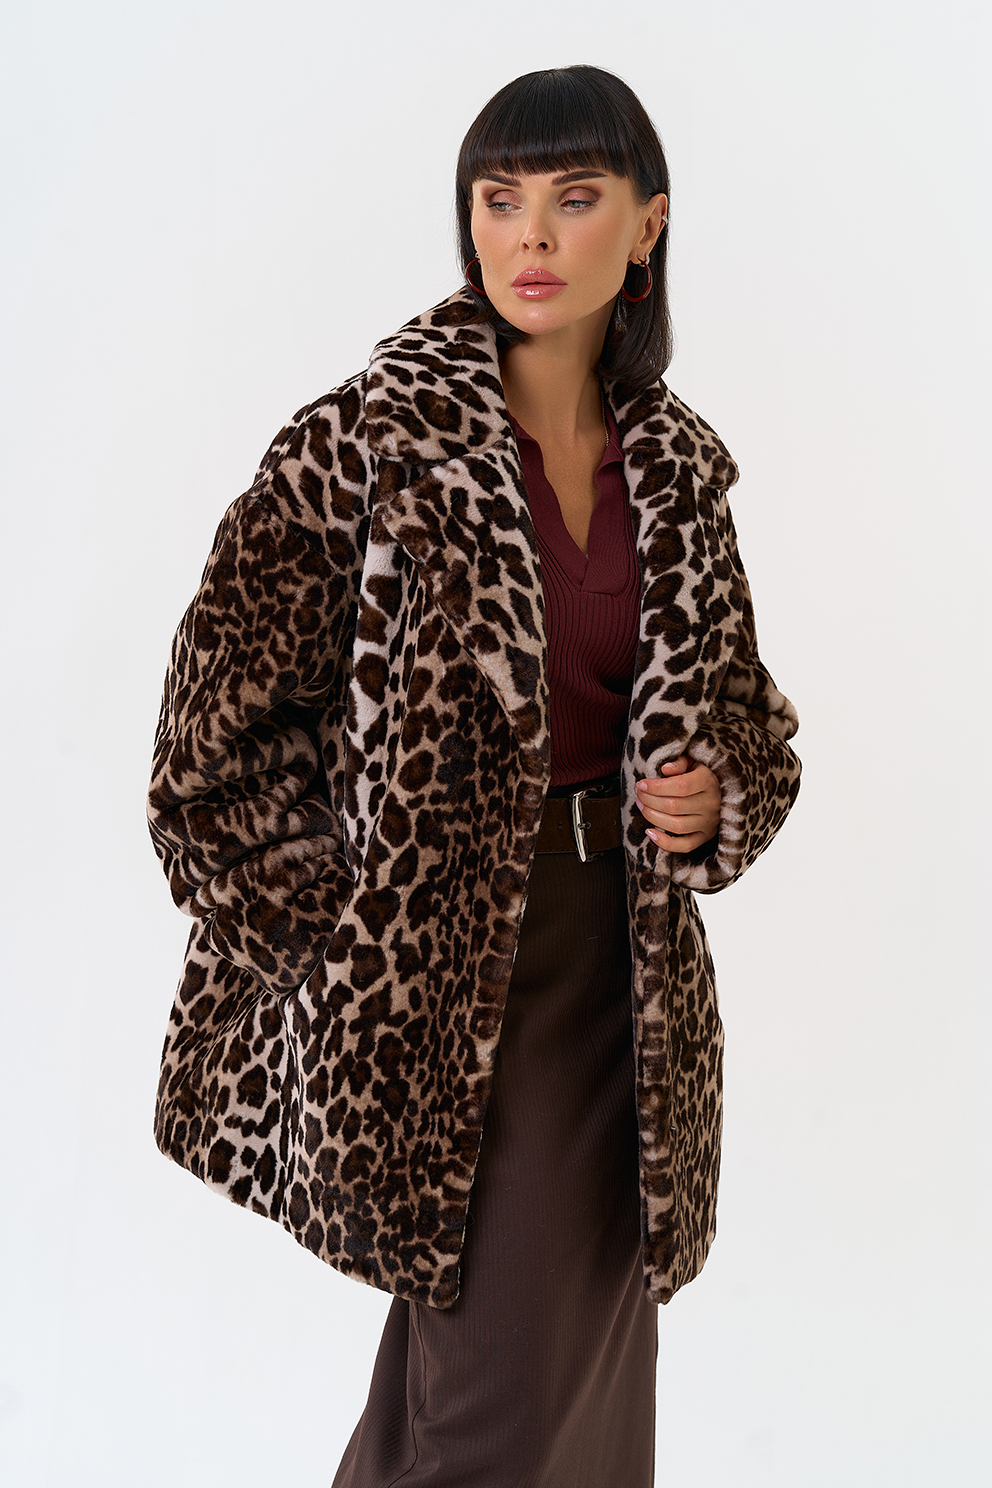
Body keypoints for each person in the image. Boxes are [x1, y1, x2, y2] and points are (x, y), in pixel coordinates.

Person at [148, 65, 801, 1488]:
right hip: (447, 990)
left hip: (624, 972)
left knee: (570, 1402)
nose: (532, 236)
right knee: (494, 1409)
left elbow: (752, 720)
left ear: (648, 224)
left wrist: (717, 793)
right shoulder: (366, 446)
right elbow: (207, 752)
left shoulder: (677, 473)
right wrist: (351, 935)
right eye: (499, 200)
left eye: (575, 198)